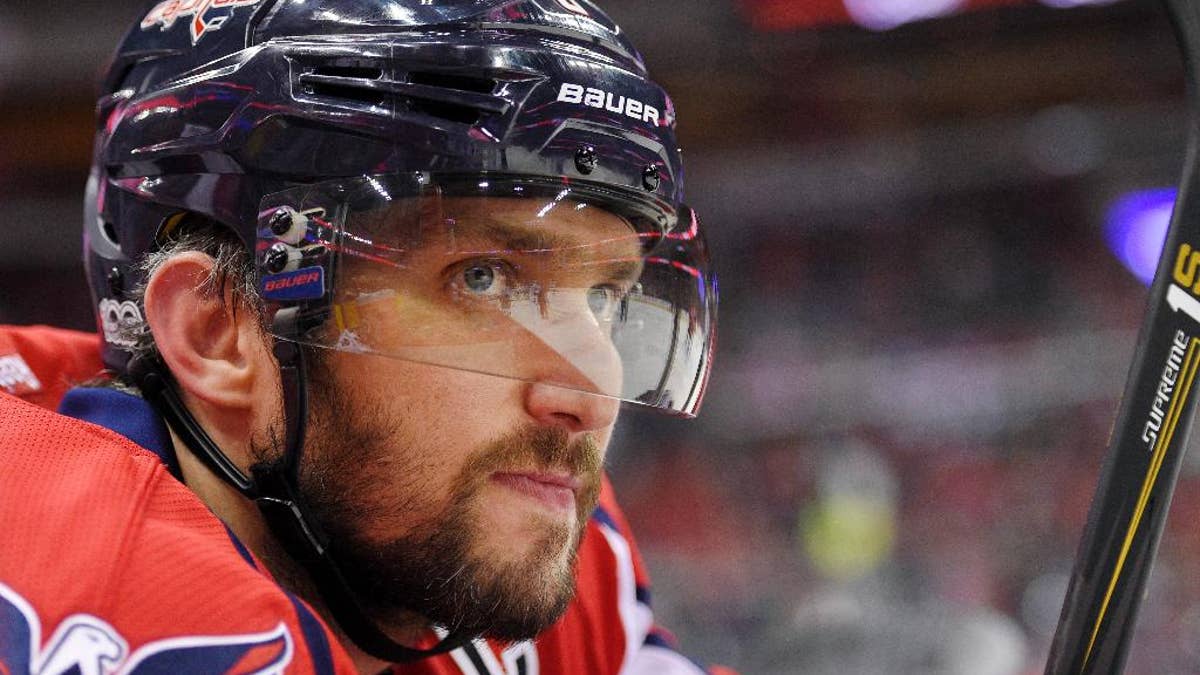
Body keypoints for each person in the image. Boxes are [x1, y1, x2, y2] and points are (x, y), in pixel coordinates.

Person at [1, 1, 722, 674]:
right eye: (481, 279)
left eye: (602, 295)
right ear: (218, 331)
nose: (590, 395)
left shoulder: (511, 517)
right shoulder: (114, 600)